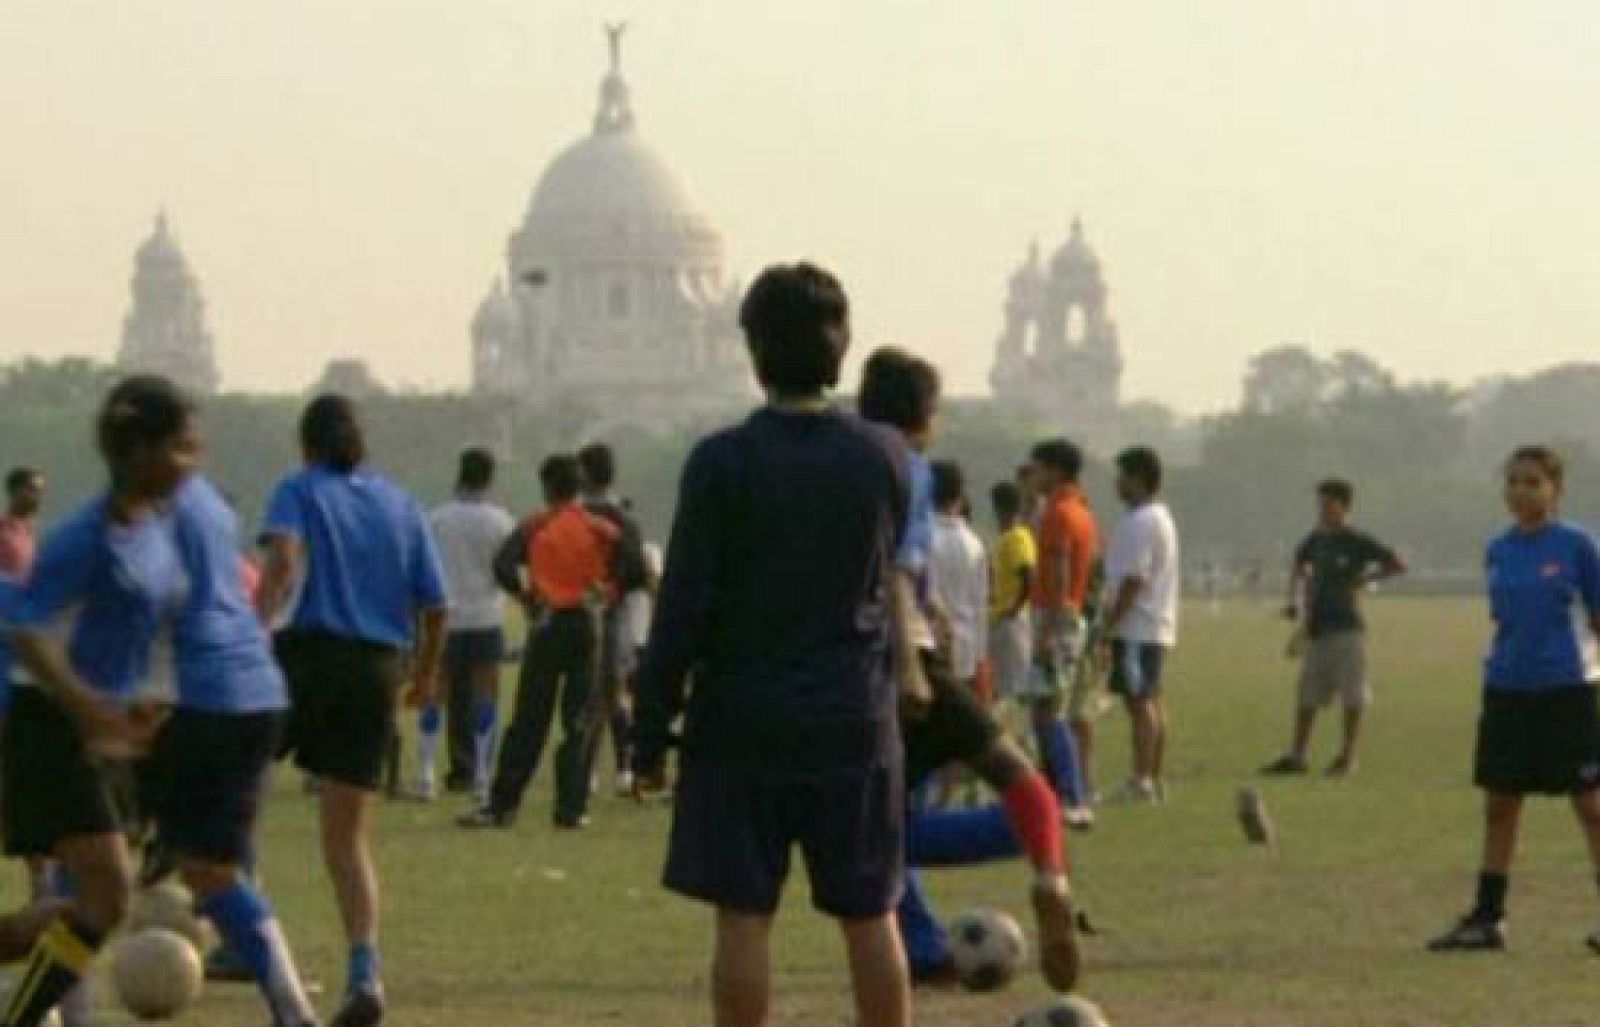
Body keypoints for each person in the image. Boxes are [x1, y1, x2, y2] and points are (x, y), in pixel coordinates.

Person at [632, 263, 915, 1027]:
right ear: (841, 348)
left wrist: (650, 728)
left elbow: (682, 607)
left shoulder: (722, 462)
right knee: (871, 913)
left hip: (742, 718)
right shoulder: (884, 457)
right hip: (851, 711)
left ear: (753, 352)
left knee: (744, 915)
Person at [857, 347, 1079, 993]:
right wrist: (915, 660)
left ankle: (922, 947)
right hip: (921, 657)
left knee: (879, 834)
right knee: (1021, 780)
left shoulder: (834, 464)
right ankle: (1049, 873)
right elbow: (901, 569)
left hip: (857, 665)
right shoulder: (912, 468)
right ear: (924, 418)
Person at [1, 376, 196, 1027]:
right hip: (52, 725)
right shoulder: (85, 537)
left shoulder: (157, 532)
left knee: (94, 904)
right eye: (180, 444)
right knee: (107, 895)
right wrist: (88, 707)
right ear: (138, 452)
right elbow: (27, 632)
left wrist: (150, 709)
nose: (192, 456)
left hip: (103, 728)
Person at [257, 394, 449, 1027]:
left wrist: (251, 631)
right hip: (377, 669)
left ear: (307, 443)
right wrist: (422, 675)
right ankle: (365, 970)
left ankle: (238, 927)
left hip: (308, 657)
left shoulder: (298, 489)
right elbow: (434, 603)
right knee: (346, 838)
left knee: (234, 784)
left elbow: (283, 564)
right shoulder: (400, 504)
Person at [143, 471, 320, 1026]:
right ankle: (290, 1008)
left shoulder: (147, 541)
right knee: (217, 864)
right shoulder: (235, 566)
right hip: (255, 700)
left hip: (193, 705)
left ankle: (50, 1003)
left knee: (86, 859)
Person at [1428, 447, 1600, 954]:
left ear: (1555, 488)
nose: (1521, 492)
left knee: (1591, 806)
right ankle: (1488, 918)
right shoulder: (1498, 548)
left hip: (1566, 691)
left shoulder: (1577, 546)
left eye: (1533, 482)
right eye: (1513, 482)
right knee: (1500, 805)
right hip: (1507, 690)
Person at [459, 454, 616, 830]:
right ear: (579, 487)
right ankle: (571, 810)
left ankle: (502, 806)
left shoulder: (536, 524)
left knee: (530, 718)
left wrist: (528, 597)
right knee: (578, 719)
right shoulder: (601, 527)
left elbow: (503, 564)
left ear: (547, 487)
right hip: (586, 623)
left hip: (547, 623)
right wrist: (607, 591)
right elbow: (631, 563)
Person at [1261, 479, 1407, 777]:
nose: (1323, 511)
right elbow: (1299, 563)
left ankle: (1348, 757)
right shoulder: (1315, 540)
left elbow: (1397, 564)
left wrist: (1365, 580)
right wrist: (1297, 599)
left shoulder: (1356, 540)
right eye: (1320, 505)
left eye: (1329, 505)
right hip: (1318, 628)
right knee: (1307, 695)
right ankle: (1298, 755)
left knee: (1352, 696)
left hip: (1346, 629)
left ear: (1345, 508)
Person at [424, 448, 515, 801]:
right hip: (486, 615)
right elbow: (507, 568)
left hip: (445, 616)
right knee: (485, 693)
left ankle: (429, 771)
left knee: (437, 690)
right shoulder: (501, 521)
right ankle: (480, 773)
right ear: (490, 479)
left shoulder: (437, 519)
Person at [1098, 447, 1180, 805]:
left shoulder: (1142, 521)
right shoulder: (1158, 518)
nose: (1118, 484)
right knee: (1151, 700)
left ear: (1140, 479)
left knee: (1139, 703)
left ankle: (1142, 779)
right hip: (1153, 624)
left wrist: (1110, 623)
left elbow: (1134, 579)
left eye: (1124, 476)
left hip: (1137, 624)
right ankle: (1152, 777)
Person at [1027, 439, 1097, 828]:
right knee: (1046, 711)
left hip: (1056, 618)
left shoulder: (1057, 514)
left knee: (1047, 712)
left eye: (1036, 468)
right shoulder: (1084, 512)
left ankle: (1071, 795)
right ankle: (1056, 795)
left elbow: (1057, 571)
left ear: (1053, 470)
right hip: (1071, 615)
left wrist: (1047, 631)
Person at [576, 444, 649, 798]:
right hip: (613, 613)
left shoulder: (572, 517)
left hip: (579, 613)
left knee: (591, 698)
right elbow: (637, 570)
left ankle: (589, 770)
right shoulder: (624, 518)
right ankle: (624, 766)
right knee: (611, 694)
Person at [929, 462, 988, 700]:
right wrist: (980, 656)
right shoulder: (975, 543)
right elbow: (980, 605)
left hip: (931, 644)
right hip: (966, 648)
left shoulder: (922, 539)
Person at [988, 482, 1036, 704]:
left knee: (1010, 691)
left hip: (1011, 621)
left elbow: (1028, 575)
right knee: (1000, 686)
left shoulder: (1017, 536)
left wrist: (1014, 608)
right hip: (1003, 618)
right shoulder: (1007, 537)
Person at [0, 468, 44, 579]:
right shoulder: (2, 526)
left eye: (40, 493)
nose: (37, 498)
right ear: (15, 490)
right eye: (32, 490)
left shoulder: (30, 533)